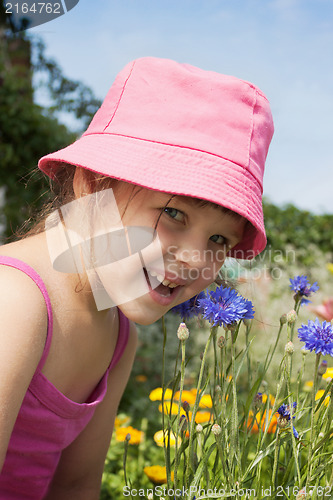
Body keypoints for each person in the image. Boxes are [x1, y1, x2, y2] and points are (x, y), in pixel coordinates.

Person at [0, 56, 274, 498]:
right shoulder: (14, 301)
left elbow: (75, 486)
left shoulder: (118, 334)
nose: (193, 258)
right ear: (93, 184)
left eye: (220, 240)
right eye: (173, 213)